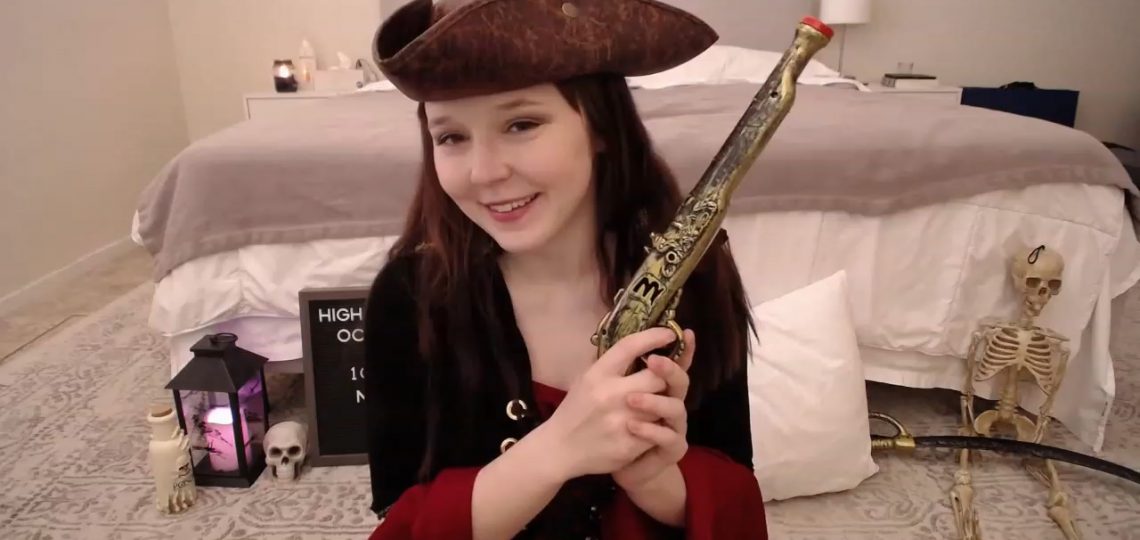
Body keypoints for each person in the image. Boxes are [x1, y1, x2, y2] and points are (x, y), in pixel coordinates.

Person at [362, 0, 767, 538]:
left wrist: (656, 481)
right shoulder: (408, 298)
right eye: (451, 136)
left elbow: (736, 494)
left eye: (521, 123)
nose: (484, 172)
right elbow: (401, 520)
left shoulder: (694, 276)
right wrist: (556, 450)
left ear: (601, 126)